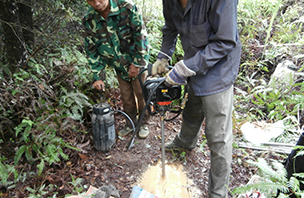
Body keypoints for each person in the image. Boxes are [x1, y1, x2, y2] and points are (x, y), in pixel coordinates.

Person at [152, 0, 242, 197]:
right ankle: (185, 141)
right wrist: (164, 55)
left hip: (219, 67)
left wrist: (187, 67)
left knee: (218, 136)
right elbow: (170, 27)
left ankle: (218, 192)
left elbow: (225, 41)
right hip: (193, 62)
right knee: (192, 107)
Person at [83, 0, 150, 138]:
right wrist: (98, 76)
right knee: (126, 97)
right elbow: (92, 50)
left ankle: (144, 123)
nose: (96, 3)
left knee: (141, 93)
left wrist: (137, 63)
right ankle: (130, 123)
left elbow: (141, 35)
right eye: (91, 0)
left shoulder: (126, 7)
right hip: (118, 65)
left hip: (136, 60)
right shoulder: (89, 19)